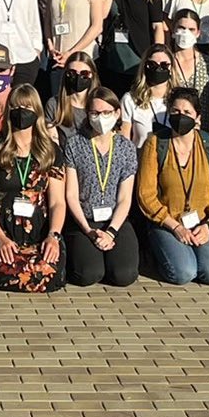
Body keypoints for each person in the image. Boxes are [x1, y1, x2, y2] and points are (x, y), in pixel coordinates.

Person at [134, 87, 209, 286]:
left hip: (203, 221)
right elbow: (146, 195)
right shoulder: (155, 144)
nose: (181, 116)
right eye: (175, 112)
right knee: (183, 273)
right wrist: (176, 227)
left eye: (187, 113)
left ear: (198, 118)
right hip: (167, 221)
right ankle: (158, 252)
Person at [61, 88, 140, 288]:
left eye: (106, 113)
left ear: (117, 113)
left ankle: (108, 255)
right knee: (88, 274)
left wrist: (111, 232)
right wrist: (88, 231)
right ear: (88, 114)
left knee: (124, 275)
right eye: (95, 113)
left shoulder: (126, 148)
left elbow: (124, 198)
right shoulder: (74, 144)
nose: (100, 118)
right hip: (84, 221)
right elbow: (71, 194)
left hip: (115, 221)